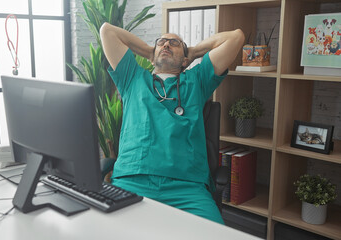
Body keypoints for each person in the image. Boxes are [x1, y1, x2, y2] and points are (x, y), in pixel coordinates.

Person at [100, 22, 244, 224]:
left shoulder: (198, 80)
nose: (166, 45)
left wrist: (193, 52)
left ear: (185, 59)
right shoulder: (132, 77)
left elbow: (235, 36)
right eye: (161, 42)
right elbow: (107, 30)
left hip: (187, 188)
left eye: (174, 43)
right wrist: (150, 52)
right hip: (133, 180)